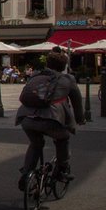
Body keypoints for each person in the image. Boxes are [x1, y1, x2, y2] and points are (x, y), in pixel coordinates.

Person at [16, 50, 84, 190]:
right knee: (63, 139)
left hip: (26, 118)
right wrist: (80, 119)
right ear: (64, 66)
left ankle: (27, 173)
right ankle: (61, 171)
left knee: (36, 143)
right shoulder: (68, 79)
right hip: (51, 120)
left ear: (47, 64)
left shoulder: (36, 75)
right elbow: (77, 102)